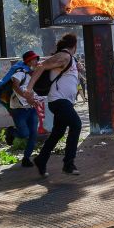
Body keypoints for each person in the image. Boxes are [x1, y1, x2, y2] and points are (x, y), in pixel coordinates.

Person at [29, 34, 83, 177]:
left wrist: (78, 68)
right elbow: (41, 66)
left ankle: (41, 159)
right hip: (59, 101)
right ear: (75, 46)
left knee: (58, 133)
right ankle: (68, 164)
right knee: (76, 125)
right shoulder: (64, 56)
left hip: (63, 102)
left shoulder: (70, 58)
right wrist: (28, 89)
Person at [9, 51, 44, 168]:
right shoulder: (21, 72)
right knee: (24, 133)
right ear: (28, 61)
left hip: (31, 108)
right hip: (19, 109)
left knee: (33, 135)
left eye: (37, 59)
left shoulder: (32, 74)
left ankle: (26, 158)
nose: (36, 61)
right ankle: (11, 132)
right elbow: (15, 85)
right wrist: (26, 97)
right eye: (34, 59)